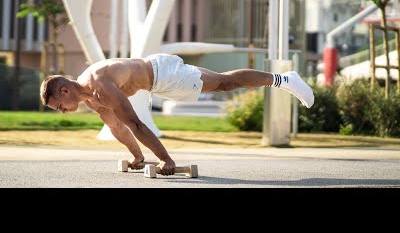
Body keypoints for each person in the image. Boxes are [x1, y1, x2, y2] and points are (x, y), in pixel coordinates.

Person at [40, 53, 314, 176]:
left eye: (59, 106)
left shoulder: (98, 84)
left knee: (225, 83)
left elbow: (134, 123)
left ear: (64, 91)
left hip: (163, 75)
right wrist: (137, 157)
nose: (62, 112)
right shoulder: (91, 98)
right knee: (223, 82)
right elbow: (117, 127)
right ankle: (283, 79)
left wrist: (166, 159)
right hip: (160, 77)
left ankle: (284, 79)